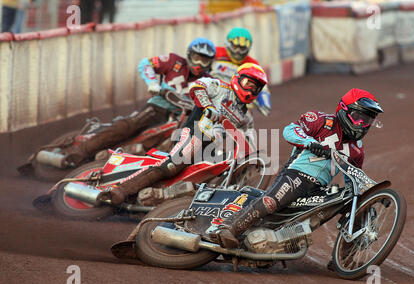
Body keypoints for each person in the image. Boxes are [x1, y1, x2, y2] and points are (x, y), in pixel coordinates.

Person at [214, 88, 384, 249]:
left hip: (319, 188)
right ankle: (229, 228)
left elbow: (352, 179)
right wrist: (310, 142)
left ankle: (347, 258)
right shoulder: (321, 120)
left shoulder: (357, 150)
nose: (362, 124)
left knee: (355, 203)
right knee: (271, 201)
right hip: (297, 174)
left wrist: (372, 192)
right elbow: (289, 130)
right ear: (344, 110)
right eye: (358, 117)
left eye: (368, 120)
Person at [98, 62, 268, 205]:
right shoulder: (219, 87)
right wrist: (207, 106)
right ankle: (120, 190)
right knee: (172, 166)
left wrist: (254, 158)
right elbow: (197, 87)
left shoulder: (246, 117)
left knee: (209, 176)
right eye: (249, 84)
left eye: (256, 88)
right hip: (194, 133)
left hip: (209, 148)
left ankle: (162, 198)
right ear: (237, 79)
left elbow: (248, 138)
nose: (251, 90)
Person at [62, 37, 216, 167]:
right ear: (189, 55)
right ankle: (80, 152)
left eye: (204, 61)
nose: (199, 64)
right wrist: (152, 82)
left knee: (185, 144)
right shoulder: (173, 60)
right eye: (197, 58)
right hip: (158, 107)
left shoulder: (209, 81)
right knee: (128, 125)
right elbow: (145, 63)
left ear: (210, 63)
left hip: (181, 119)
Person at [211, 27, 271, 116]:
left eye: (242, 48)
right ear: (228, 44)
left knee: (246, 127)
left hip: (241, 106)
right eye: (235, 47)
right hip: (213, 99)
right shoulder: (215, 53)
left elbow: (262, 86)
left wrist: (264, 102)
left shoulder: (253, 64)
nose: (238, 52)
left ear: (248, 48)